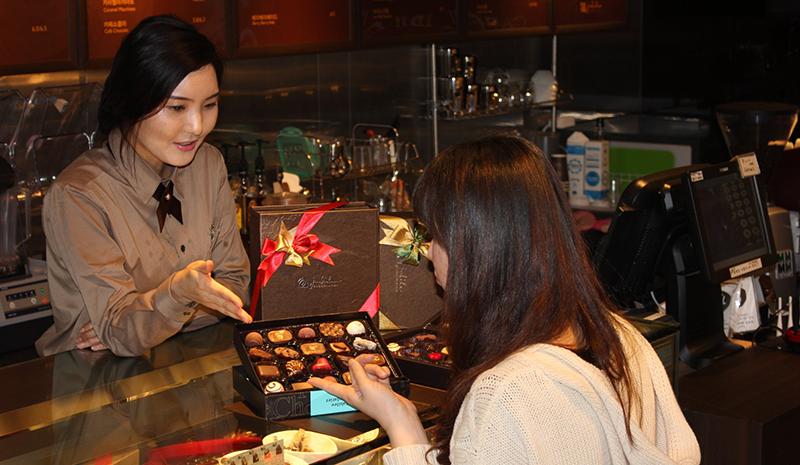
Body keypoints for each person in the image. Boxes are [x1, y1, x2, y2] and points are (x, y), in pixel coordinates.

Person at [309, 135, 701, 464]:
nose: (428, 251)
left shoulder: (505, 394)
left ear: (478, 252)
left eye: (437, 236)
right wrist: (403, 417)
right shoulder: (621, 337)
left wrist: (401, 430)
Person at [36, 15, 252, 357]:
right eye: (177, 107)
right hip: (95, 378)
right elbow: (119, 331)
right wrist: (178, 296)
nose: (197, 126)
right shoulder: (79, 194)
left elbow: (236, 287)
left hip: (182, 370)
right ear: (132, 100)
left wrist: (146, 323)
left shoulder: (207, 165)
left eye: (209, 105)